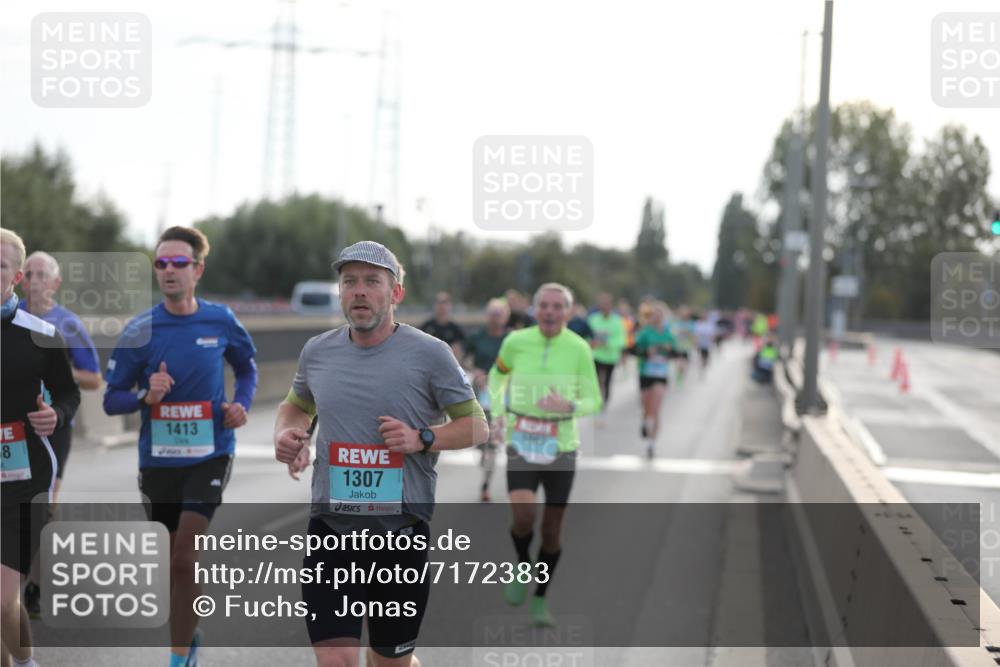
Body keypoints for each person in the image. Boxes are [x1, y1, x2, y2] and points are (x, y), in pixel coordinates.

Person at [273, 240, 487, 667]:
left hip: (401, 536)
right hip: (332, 532)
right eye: (349, 281)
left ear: (396, 294)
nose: (359, 291)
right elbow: (296, 405)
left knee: (390, 662)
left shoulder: (430, 354)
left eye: (372, 281)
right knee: (337, 660)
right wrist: (289, 435)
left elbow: (477, 426)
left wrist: (421, 439)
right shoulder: (318, 351)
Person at [104, 226, 258, 667]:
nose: (169, 271)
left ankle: (176, 659)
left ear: (198, 270)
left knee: (186, 557)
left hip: (211, 452)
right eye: (161, 263)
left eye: (178, 263)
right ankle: (187, 637)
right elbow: (111, 399)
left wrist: (241, 406)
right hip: (159, 460)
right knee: (172, 561)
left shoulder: (221, 321)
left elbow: (247, 371)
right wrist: (144, 396)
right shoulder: (140, 329)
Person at [488, 283, 602, 627]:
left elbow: (594, 399)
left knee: (552, 532)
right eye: (544, 306)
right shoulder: (515, 342)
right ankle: (523, 561)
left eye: (557, 306)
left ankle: (540, 597)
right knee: (523, 516)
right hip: (522, 439)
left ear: (568, 312)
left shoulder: (579, 348)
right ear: (535, 310)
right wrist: (496, 412)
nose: (550, 312)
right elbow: (497, 375)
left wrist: (570, 405)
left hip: (561, 448)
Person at [1, 229, 81, 667]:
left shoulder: (41, 333)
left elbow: (70, 394)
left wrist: (58, 415)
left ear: (15, 277)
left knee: (2, 600)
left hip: (24, 479)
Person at [18, 250, 103, 618]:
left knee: (42, 510)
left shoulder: (67, 325)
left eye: (42, 274)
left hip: (53, 428)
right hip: (14, 428)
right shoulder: (11, 317)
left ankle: (34, 585)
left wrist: (58, 368)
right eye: (30, 273)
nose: (35, 280)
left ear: (55, 283)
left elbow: (94, 378)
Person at [464, 298, 510, 502]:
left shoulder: (511, 339)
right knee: (480, 438)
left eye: (499, 314)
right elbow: (463, 360)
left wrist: (501, 377)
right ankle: (483, 451)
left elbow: (519, 364)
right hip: (479, 391)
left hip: (503, 393)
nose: (495, 317)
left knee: (492, 440)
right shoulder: (477, 337)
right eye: (492, 313)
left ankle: (486, 483)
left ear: (505, 316)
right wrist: (477, 372)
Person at [633, 302, 677, 459]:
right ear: (651, 317)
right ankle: (645, 422)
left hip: (661, 374)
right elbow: (635, 350)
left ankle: (652, 444)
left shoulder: (668, 333)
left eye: (660, 314)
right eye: (654, 314)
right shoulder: (645, 332)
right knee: (646, 406)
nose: (657, 317)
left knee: (656, 407)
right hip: (646, 373)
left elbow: (676, 352)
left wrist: (669, 351)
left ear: (664, 317)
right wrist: (647, 352)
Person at [586, 293, 626, 411]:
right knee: (597, 379)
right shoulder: (593, 319)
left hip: (610, 357)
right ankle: (597, 400)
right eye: (602, 304)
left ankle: (606, 400)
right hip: (596, 355)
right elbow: (588, 336)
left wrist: (608, 344)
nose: (604, 307)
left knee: (607, 380)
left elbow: (621, 339)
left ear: (610, 306)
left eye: (606, 304)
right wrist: (591, 343)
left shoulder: (617, 321)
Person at [419, 291, 465, 359]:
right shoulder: (426, 327)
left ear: (450, 306)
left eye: (444, 303)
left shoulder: (455, 329)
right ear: (435, 305)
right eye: (439, 303)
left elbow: (461, 350)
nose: (442, 306)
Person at [693, 312, 717, 377]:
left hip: (707, 344)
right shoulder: (698, 323)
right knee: (700, 357)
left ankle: (703, 366)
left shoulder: (710, 324)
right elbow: (696, 334)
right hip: (700, 344)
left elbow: (712, 334)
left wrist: (712, 341)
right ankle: (701, 368)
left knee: (706, 359)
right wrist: (695, 342)